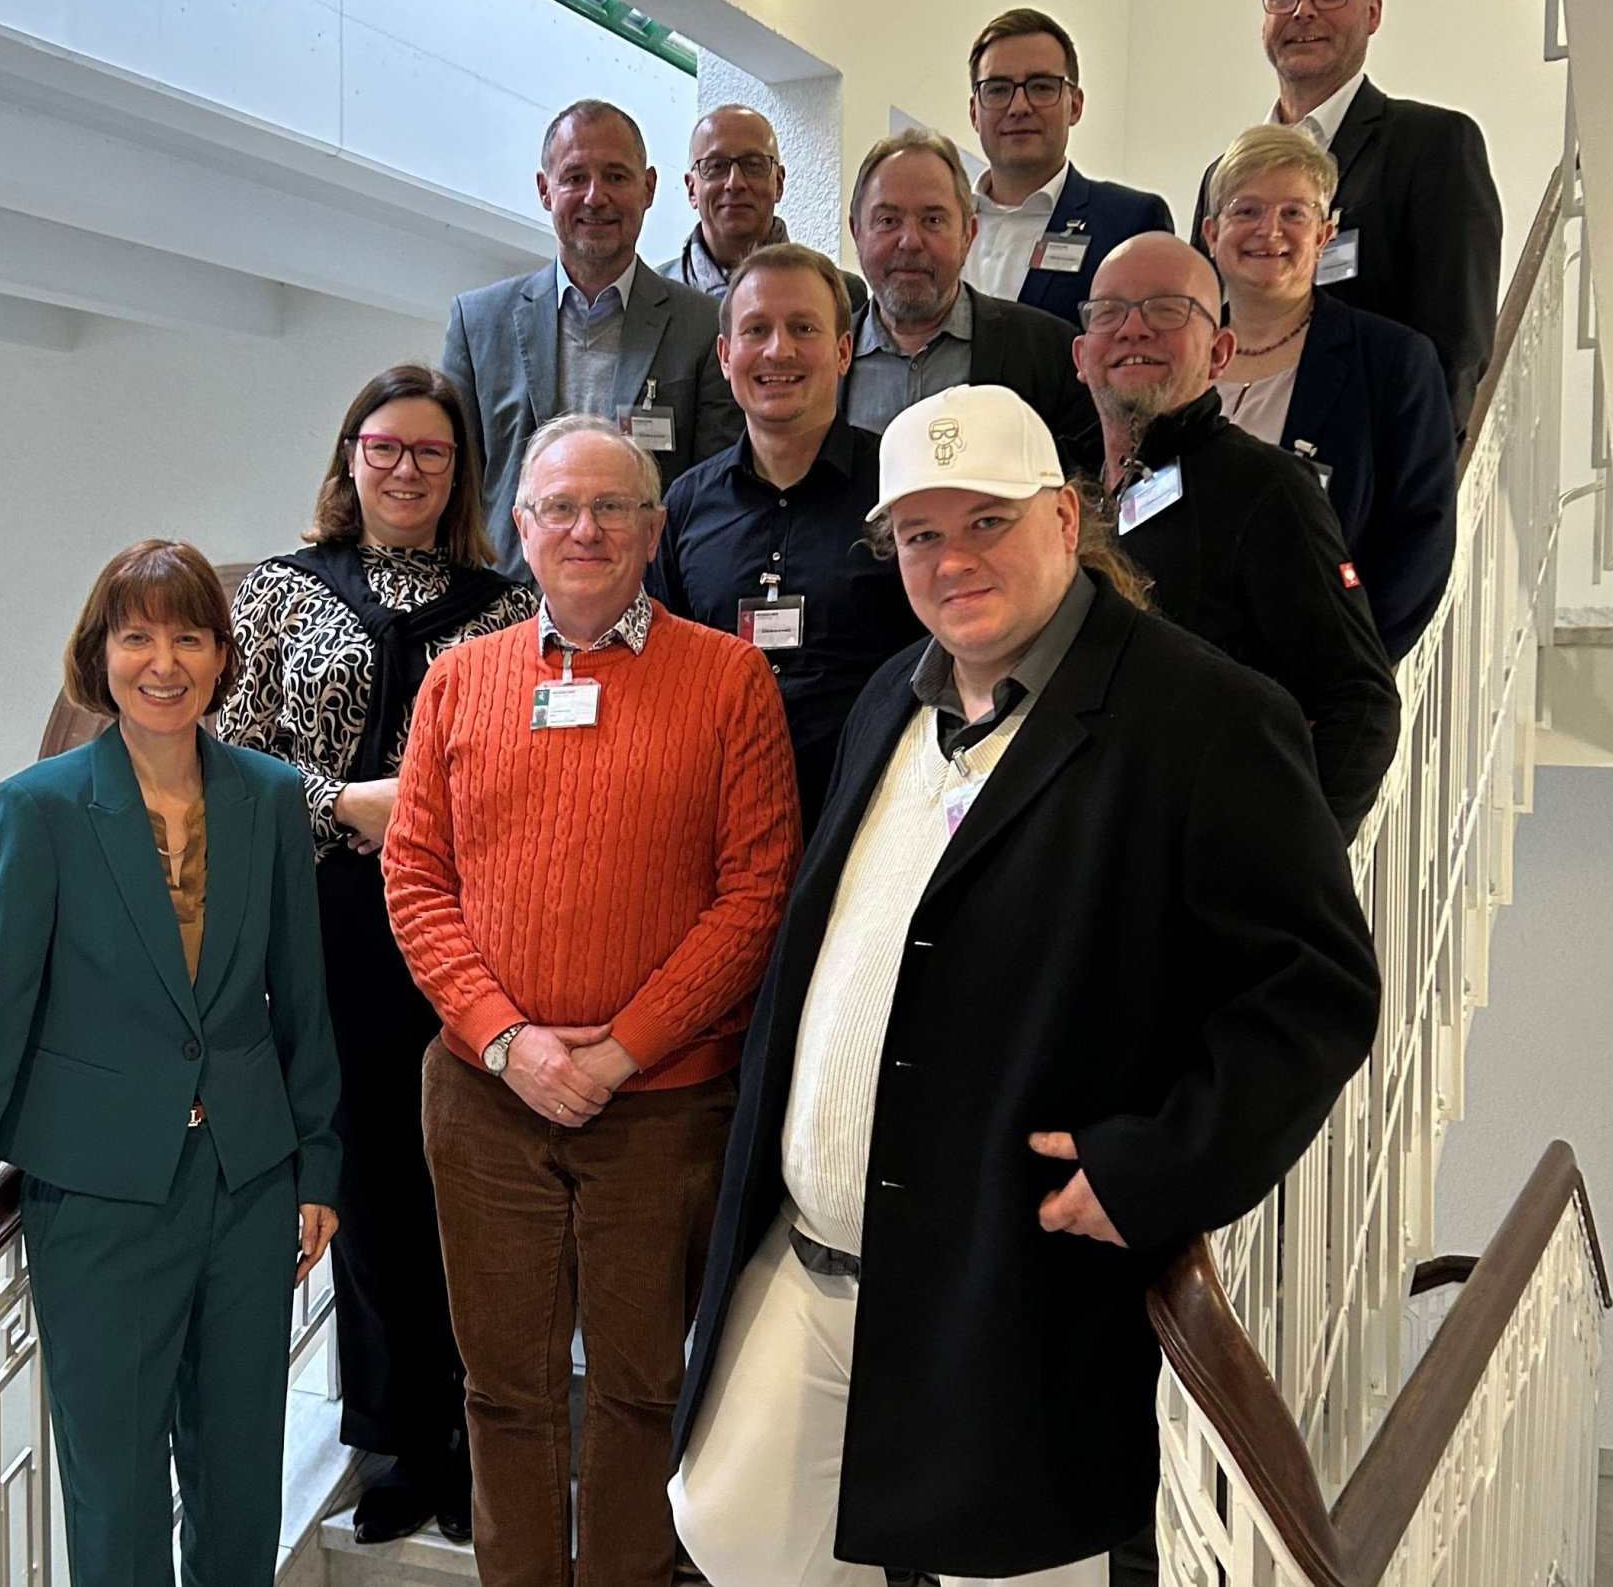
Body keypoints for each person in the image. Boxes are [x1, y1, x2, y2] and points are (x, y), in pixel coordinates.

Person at [669, 383, 1380, 1586]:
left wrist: (1158, 1168)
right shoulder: (891, 699)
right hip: (811, 1250)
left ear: (1064, 516)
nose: (953, 561)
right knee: (728, 1522)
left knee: (1010, 1566)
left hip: (1003, 1284)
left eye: (986, 522)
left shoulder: (1208, 719)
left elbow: (1313, 991)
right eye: (919, 535)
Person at [0, 540, 343, 1587]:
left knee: (242, 1483)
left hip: (250, 1186)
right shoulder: (39, 807)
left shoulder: (268, 795)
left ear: (220, 657)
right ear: (99, 653)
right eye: (138, 636)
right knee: (116, 1498)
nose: (163, 661)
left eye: (189, 636)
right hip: (102, 1198)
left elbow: (299, 1002)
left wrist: (317, 1171)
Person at [383, 416, 801, 1587]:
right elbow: (414, 879)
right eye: (558, 508)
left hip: (663, 1106)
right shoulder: (459, 682)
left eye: (613, 508)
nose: (584, 529)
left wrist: (617, 1054)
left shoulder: (729, 680)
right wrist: (510, 1043)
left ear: (654, 530)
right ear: (520, 529)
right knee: (502, 1391)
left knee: (641, 1387)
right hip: (483, 1100)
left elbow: (757, 893)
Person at [220, 365, 537, 1546]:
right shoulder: (278, 596)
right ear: (349, 456)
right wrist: (347, 806)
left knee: (465, 1173)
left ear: (463, 472)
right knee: (364, 1178)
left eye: (432, 452)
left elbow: (524, 763)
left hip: (471, 920)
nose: (406, 469)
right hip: (331, 918)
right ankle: (397, 1440)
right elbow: (231, 753)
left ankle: (474, 1432)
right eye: (385, 446)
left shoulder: (507, 606)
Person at [1073, 232, 1400, 839]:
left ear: (1220, 352)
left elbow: (1359, 704)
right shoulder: (1064, 497)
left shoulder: (1269, 491)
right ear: (1080, 353)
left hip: (1203, 862)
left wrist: (1290, 872)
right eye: (1109, 311)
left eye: (1167, 309)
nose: (1133, 329)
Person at [1190, 0, 1501, 436]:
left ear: (1373, 11)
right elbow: (1198, 331)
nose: (1302, 10)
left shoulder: (1433, 146)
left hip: (1359, 484)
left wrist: (1412, 491)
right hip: (1226, 474)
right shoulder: (1223, 175)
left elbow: (1455, 349)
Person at [648, 244, 924, 834]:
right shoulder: (684, 507)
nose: (779, 350)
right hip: (715, 830)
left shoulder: (905, 488)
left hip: (871, 821)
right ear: (725, 356)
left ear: (844, 350)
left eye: (804, 328)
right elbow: (657, 675)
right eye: (756, 330)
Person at [442, 98, 742, 578]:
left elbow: (712, 497)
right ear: (545, 189)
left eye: (616, 177)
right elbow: (452, 487)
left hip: (648, 609)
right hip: (507, 609)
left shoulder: (704, 326)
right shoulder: (478, 323)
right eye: (575, 177)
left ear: (648, 189)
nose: (595, 196)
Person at [1201, 126, 1456, 661]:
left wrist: (1349, 680)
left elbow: (1419, 543)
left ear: (1324, 234)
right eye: (1246, 211)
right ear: (1210, 232)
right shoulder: (1177, 355)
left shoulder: (1393, 363)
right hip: (1174, 678)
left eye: (1294, 213)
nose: (1269, 232)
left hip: (1315, 690)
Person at [842, 129, 1100, 474]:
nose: (910, 241)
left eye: (933, 220)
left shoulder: (1051, 353)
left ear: (968, 234)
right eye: (887, 221)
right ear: (856, 232)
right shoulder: (820, 361)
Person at [961, 9, 1174, 324]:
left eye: (1042, 87)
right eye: (997, 89)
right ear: (974, 112)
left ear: (1075, 105)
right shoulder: (937, 225)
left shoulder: (1130, 222)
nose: (1019, 106)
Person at [664, 103, 869, 310]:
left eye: (753, 164)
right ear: (691, 190)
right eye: (716, 166)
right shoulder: (648, 299)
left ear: (778, 183)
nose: (735, 183)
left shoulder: (840, 294)